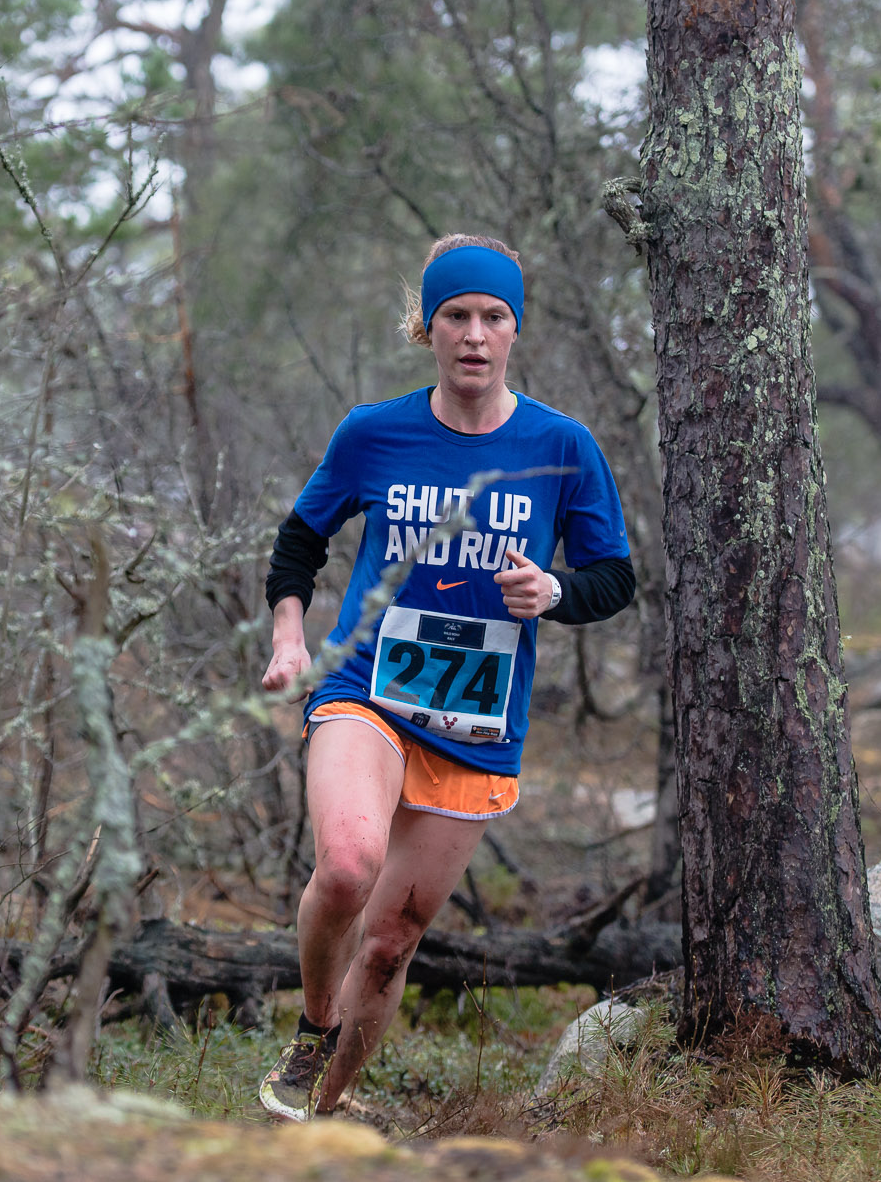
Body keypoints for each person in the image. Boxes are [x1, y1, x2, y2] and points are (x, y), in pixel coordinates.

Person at [256, 234, 637, 1122]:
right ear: (426, 328)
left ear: (515, 330)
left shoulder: (562, 446)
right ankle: (315, 1028)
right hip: (366, 689)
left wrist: (554, 589)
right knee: (349, 865)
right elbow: (299, 540)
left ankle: (318, 1116)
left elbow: (612, 576)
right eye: (455, 316)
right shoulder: (374, 431)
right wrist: (289, 633)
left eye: (492, 317)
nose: (474, 334)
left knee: (389, 945)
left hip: (474, 724)